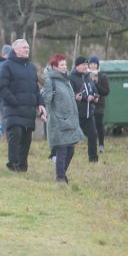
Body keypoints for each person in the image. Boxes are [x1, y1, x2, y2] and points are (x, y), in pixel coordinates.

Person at [0, 38, 46, 172]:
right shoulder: (7, 65)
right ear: (15, 50)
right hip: (14, 109)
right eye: (24, 47)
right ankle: (13, 165)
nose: (27, 49)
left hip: (29, 110)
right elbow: (1, 87)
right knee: (15, 137)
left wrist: (40, 104)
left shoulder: (31, 67)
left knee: (26, 140)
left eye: (28, 47)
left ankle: (23, 167)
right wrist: (15, 101)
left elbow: (36, 88)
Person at [40, 54, 82, 184]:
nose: (65, 67)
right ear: (54, 67)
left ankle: (62, 175)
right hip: (58, 123)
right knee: (62, 151)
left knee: (70, 150)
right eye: (62, 65)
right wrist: (42, 112)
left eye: (65, 64)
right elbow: (45, 100)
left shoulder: (66, 80)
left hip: (70, 121)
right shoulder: (50, 82)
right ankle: (60, 178)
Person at [69, 56, 100, 163]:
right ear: (77, 66)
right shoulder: (71, 78)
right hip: (76, 114)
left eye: (86, 65)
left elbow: (95, 91)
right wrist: (83, 98)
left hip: (88, 114)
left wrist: (95, 97)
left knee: (93, 135)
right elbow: (70, 94)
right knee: (69, 137)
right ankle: (56, 155)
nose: (85, 67)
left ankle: (93, 159)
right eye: (83, 65)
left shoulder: (88, 77)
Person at [89, 56, 111, 154]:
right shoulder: (86, 75)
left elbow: (106, 92)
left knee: (98, 124)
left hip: (99, 105)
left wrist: (96, 84)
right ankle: (92, 144)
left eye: (95, 64)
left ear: (97, 65)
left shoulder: (102, 77)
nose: (93, 65)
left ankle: (101, 144)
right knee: (90, 126)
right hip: (88, 104)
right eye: (91, 63)